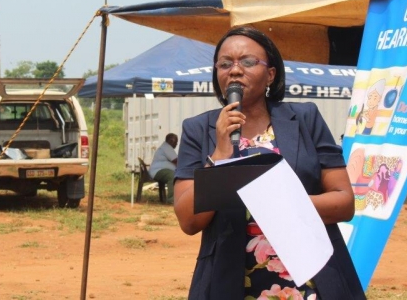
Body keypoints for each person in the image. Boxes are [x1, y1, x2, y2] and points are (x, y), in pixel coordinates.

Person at [174, 26, 365, 299]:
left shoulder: (304, 119)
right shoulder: (198, 129)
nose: (235, 70)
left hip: (311, 281)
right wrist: (218, 157)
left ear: (271, 74)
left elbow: (344, 203)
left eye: (248, 62)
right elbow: (188, 221)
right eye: (225, 64)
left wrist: (273, 202)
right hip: (230, 282)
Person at [149, 133, 178, 204]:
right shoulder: (167, 147)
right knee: (172, 176)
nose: (176, 144)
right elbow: (176, 160)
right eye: (176, 142)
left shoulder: (166, 147)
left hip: (158, 170)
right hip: (158, 171)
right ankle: (171, 199)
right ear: (171, 141)